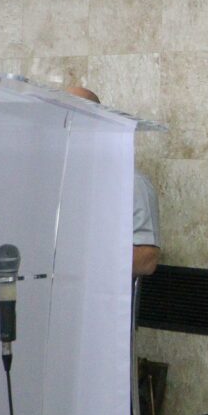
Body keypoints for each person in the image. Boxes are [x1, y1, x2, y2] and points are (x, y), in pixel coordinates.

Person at [65, 87, 161, 277]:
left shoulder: (131, 183)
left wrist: (73, 260)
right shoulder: (47, 181)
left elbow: (146, 260)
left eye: (77, 120)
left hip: (98, 291)